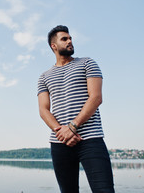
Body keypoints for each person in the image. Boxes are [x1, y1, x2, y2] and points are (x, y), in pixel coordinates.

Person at [37, 25, 114, 193]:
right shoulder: (44, 77)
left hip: (90, 139)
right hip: (60, 143)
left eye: (70, 38)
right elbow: (43, 110)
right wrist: (62, 133)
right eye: (64, 39)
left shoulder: (87, 63)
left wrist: (72, 127)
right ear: (54, 46)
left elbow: (96, 98)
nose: (70, 41)